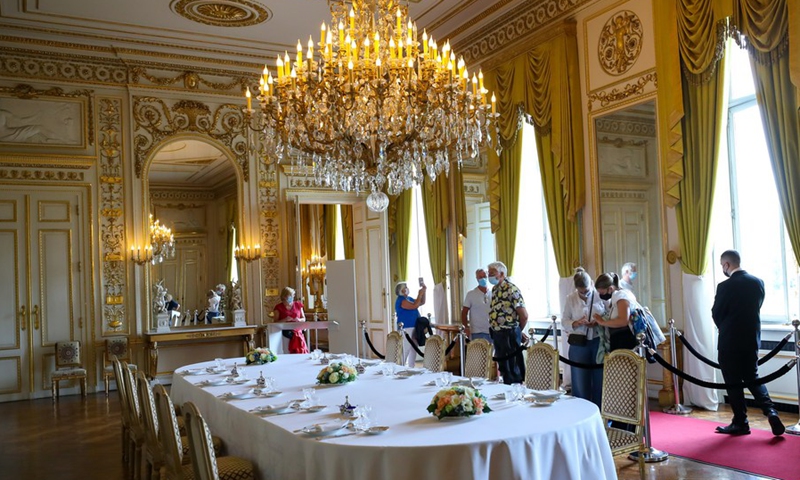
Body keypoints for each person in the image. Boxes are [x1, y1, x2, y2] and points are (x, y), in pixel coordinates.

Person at [711, 250, 784, 436]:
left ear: (726, 265)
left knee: (733, 382)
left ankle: (741, 422)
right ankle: (771, 411)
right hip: (751, 339)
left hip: (729, 341)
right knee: (754, 378)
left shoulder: (724, 286)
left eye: (722, 266)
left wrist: (725, 327)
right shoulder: (757, 282)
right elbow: (756, 307)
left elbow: (716, 312)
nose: (722, 269)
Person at [561, 267, 605, 407]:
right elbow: (564, 321)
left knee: (600, 379)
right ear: (576, 289)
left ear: (591, 284)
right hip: (579, 344)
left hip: (598, 341)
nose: (585, 294)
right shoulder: (571, 299)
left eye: (587, 291)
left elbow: (609, 314)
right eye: (581, 292)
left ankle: (599, 411)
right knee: (580, 380)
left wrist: (598, 322)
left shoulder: (599, 295)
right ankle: (581, 410)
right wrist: (576, 323)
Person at [487, 261, 528, 384]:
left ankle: (515, 391)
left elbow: (524, 315)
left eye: (492, 273)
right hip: (497, 333)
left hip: (509, 333)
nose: (489, 276)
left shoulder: (512, 289)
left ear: (502, 274)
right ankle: (506, 389)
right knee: (503, 367)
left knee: (513, 367)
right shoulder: (494, 290)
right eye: (489, 273)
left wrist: (517, 331)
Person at [592, 272, 638, 353]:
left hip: (624, 339)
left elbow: (623, 320)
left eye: (602, 293)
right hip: (620, 338)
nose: (601, 295)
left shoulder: (621, 296)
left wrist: (602, 322)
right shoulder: (618, 295)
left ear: (610, 288)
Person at [394, 280, 427, 368]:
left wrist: (424, 291)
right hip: (406, 327)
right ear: (401, 290)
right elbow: (414, 306)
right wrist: (419, 294)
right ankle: (400, 367)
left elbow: (421, 302)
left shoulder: (409, 299)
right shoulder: (401, 301)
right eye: (405, 288)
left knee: (413, 348)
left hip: (414, 326)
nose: (407, 289)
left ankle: (411, 367)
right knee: (406, 348)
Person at [273, 286, 309, 354]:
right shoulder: (278, 307)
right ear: (284, 296)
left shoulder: (298, 305)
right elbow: (275, 322)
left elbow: (304, 319)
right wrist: (285, 319)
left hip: (298, 331)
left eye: (293, 295)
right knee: (287, 351)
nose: (292, 297)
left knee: (300, 351)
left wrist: (298, 320)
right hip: (285, 333)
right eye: (290, 296)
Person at [461, 268, 492, 343]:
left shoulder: (493, 293)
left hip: (492, 331)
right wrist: (466, 327)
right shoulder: (471, 294)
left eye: (484, 276)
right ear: (477, 279)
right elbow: (464, 312)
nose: (483, 279)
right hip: (477, 331)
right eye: (480, 277)